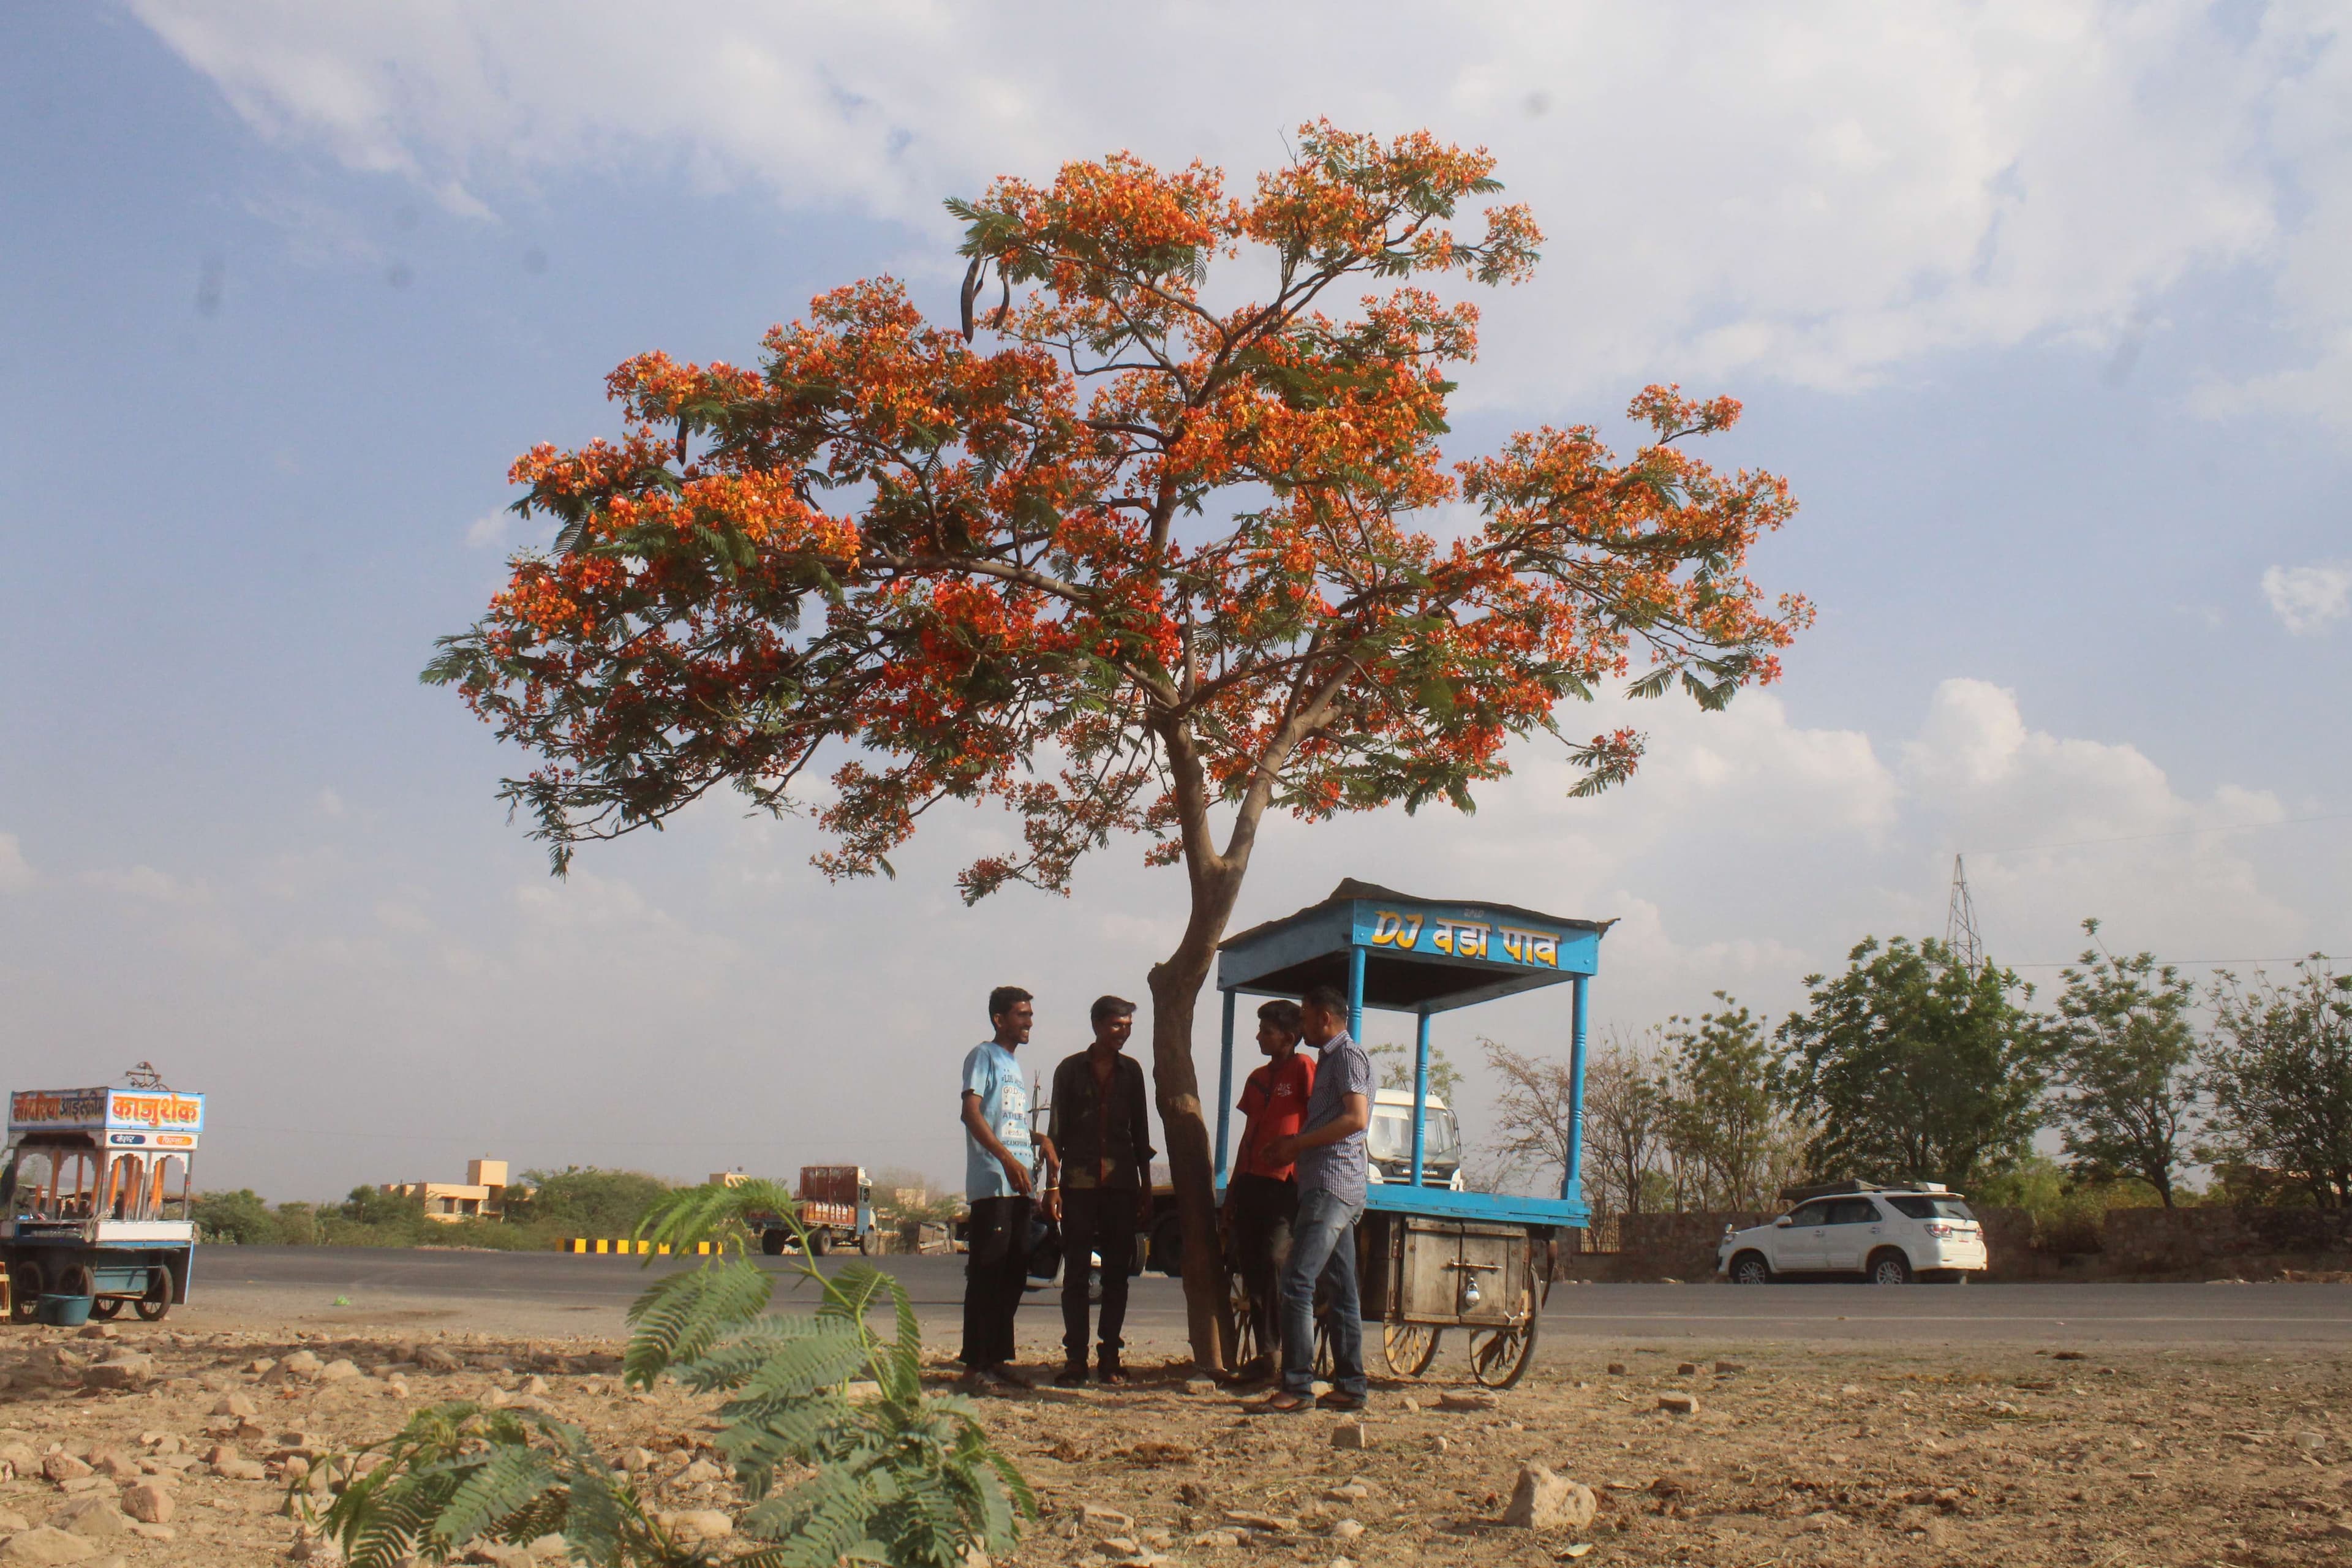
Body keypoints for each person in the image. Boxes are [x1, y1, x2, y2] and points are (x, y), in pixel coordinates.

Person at [1253, 982, 1372, 1412]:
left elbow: (1356, 1119)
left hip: (1332, 1184)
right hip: (1327, 1182)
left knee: (1297, 1282)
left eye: (1304, 1018)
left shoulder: (1347, 1056)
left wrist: (1298, 1146)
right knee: (1341, 1289)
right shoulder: (1330, 1060)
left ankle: (1298, 1387)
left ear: (1325, 1017)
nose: (1301, 1027)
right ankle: (1350, 1386)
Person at [1040, 995, 1156, 1387]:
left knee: (1117, 1276)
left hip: (1122, 1185)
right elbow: (1054, 1135)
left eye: (1127, 1027)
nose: (1123, 1033)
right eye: (1116, 1025)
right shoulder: (1069, 1071)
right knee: (1075, 1274)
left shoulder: (1133, 1073)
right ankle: (1076, 1359)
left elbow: (1141, 1134)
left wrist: (1146, 1185)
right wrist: (1052, 1188)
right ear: (1096, 1025)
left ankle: (1110, 1357)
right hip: (1078, 1185)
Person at [960, 985, 1052, 1389]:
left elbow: (1009, 1125)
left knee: (1015, 1273)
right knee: (988, 1273)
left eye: (1030, 1015)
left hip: (1020, 1186)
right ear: (1000, 1019)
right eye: (1021, 1015)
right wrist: (1006, 1159)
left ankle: (997, 1359)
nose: (1029, 1021)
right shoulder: (984, 1056)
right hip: (994, 1183)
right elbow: (971, 1114)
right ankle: (974, 1365)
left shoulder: (1014, 1065)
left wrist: (1039, 1142)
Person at [1221, 997, 1312, 1383]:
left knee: (1277, 1261)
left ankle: (1289, 1353)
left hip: (1286, 1183)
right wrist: (1236, 1182)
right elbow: (1249, 1133)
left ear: (1288, 1037)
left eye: (1267, 1031)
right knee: (1254, 1266)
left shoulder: (1304, 1068)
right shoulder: (1257, 1077)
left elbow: (1316, 1117)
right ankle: (1266, 1353)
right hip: (1252, 1181)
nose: (1259, 1037)